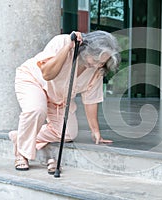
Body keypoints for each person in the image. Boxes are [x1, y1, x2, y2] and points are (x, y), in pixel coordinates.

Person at [8, 30, 121, 172]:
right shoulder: (62, 42)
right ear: (87, 48)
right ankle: (22, 154)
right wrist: (67, 47)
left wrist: (95, 131)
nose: (98, 65)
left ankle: (20, 137)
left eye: (102, 62)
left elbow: (91, 99)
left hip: (58, 97)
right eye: (96, 59)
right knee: (36, 110)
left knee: (68, 134)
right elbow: (47, 74)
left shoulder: (97, 71)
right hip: (34, 82)